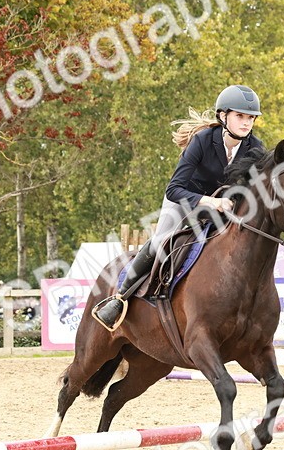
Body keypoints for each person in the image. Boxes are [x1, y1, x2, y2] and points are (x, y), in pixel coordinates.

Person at [92, 84, 265, 330]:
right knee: (161, 239)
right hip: (185, 200)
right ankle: (120, 298)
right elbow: (174, 189)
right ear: (223, 116)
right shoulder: (203, 141)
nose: (246, 123)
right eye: (240, 116)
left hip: (223, 208)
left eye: (250, 118)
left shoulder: (255, 147)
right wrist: (210, 201)